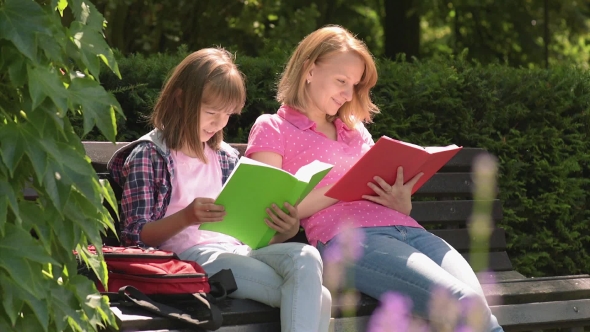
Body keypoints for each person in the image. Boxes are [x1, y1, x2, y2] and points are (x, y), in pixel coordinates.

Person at [245, 26, 504, 331]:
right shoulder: (273, 128)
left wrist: (400, 202)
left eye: (354, 85)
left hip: (408, 230)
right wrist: (345, 188)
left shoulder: (354, 130)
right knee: (465, 305)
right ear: (309, 70)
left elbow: (377, 188)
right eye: (341, 81)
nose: (347, 94)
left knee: (479, 310)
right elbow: (269, 209)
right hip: (351, 240)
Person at [108, 48, 331, 332]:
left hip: (239, 253)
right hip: (192, 260)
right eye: (211, 112)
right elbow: (134, 237)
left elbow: (249, 233)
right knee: (318, 298)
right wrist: (187, 216)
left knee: (307, 256)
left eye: (227, 114)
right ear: (180, 99)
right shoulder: (149, 155)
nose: (219, 123)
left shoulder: (225, 157)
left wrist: (284, 230)